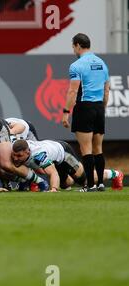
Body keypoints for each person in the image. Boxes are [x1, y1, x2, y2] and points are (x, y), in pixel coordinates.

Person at [62, 33, 110, 192]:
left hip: (84, 107)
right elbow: (106, 90)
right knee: (98, 148)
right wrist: (102, 107)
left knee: (86, 149)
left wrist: (66, 112)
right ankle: (101, 184)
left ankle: (90, 185)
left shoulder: (77, 65)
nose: (73, 50)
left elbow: (72, 92)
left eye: (73, 47)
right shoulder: (102, 63)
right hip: (98, 108)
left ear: (77, 45)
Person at [11, 139, 123, 192]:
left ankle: (116, 174)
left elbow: (53, 172)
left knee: (84, 180)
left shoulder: (39, 154)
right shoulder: (15, 146)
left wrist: (54, 189)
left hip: (63, 153)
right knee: (65, 184)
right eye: (14, 155)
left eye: (19, 156)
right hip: (54, 155)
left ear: (28, 152)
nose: (15, 158)